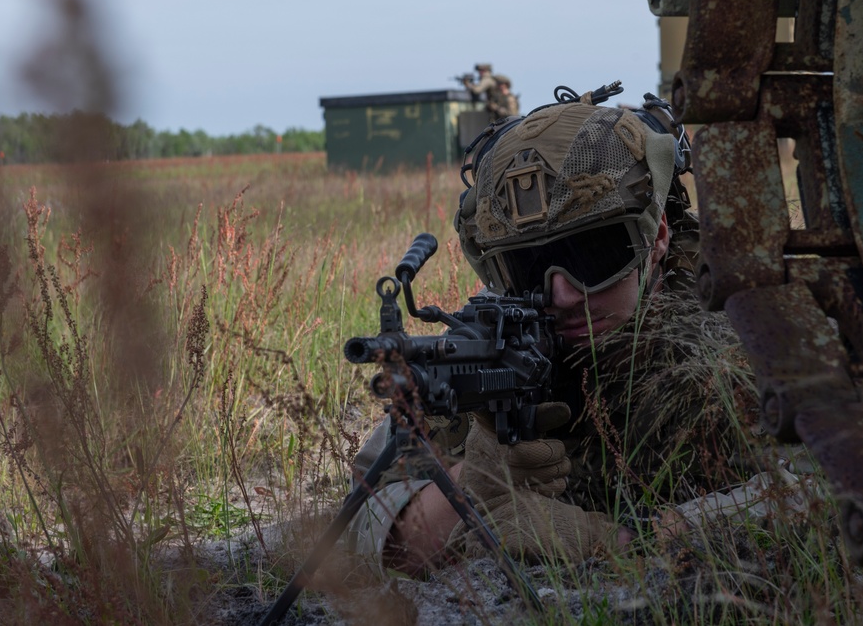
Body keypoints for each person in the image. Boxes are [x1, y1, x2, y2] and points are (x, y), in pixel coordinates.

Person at [346, 86, 812, 577]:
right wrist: (474, 487)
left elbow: (832, 485)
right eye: (527, 266)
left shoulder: (748, 317)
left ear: (655, 240)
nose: (562, 295)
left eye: (591, 257)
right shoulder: (487, 345)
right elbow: (363, 517)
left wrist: (629, 539)